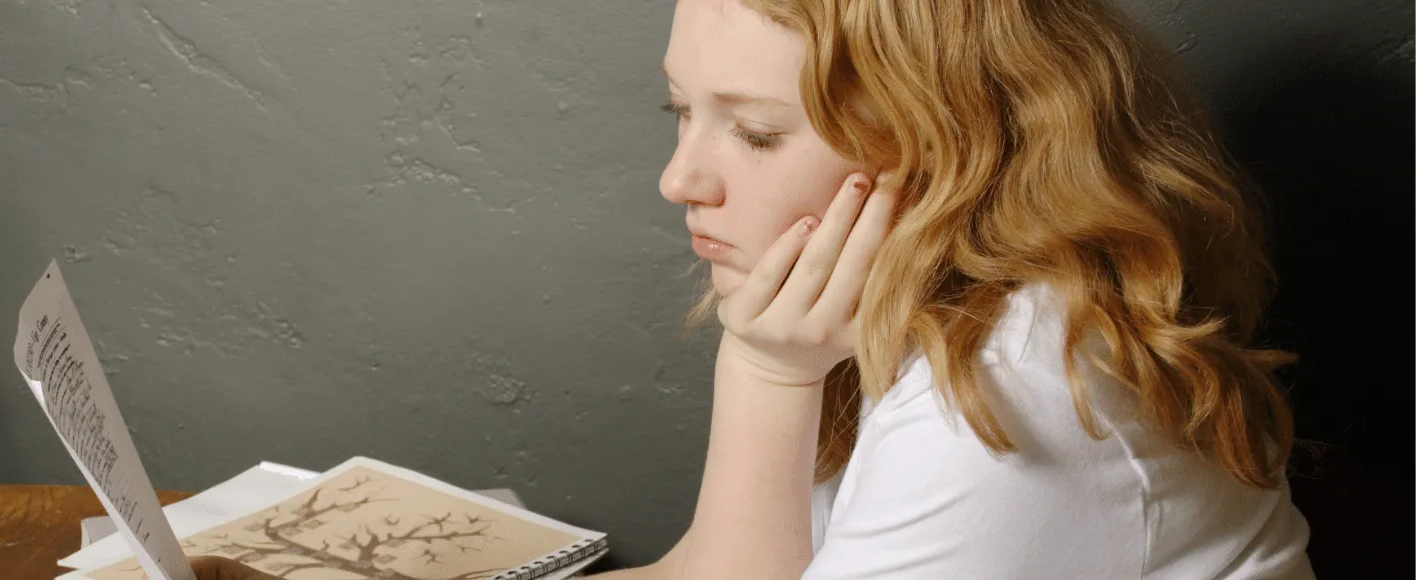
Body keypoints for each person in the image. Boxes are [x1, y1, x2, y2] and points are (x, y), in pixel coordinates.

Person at [195, 0, 1316, 578]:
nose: (681, 178)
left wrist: (763, 375)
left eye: (757, 130)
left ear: (944, 143)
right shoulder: (894, 316)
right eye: (681, 112)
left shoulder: (1014, 387)